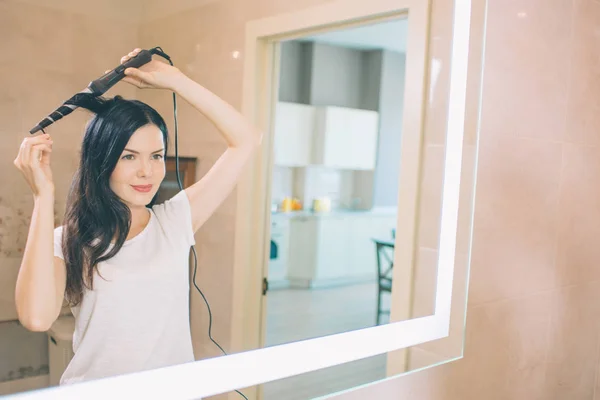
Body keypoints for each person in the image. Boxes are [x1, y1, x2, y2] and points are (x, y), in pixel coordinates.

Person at [12, 48, 262, 385]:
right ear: (102, 161)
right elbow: (36, 318)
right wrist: (43, 195)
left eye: (156, 156)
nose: (146, 171)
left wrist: (176, 81)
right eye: (129, 156)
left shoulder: (174, 220)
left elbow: (246, 139)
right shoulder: (70, 239)